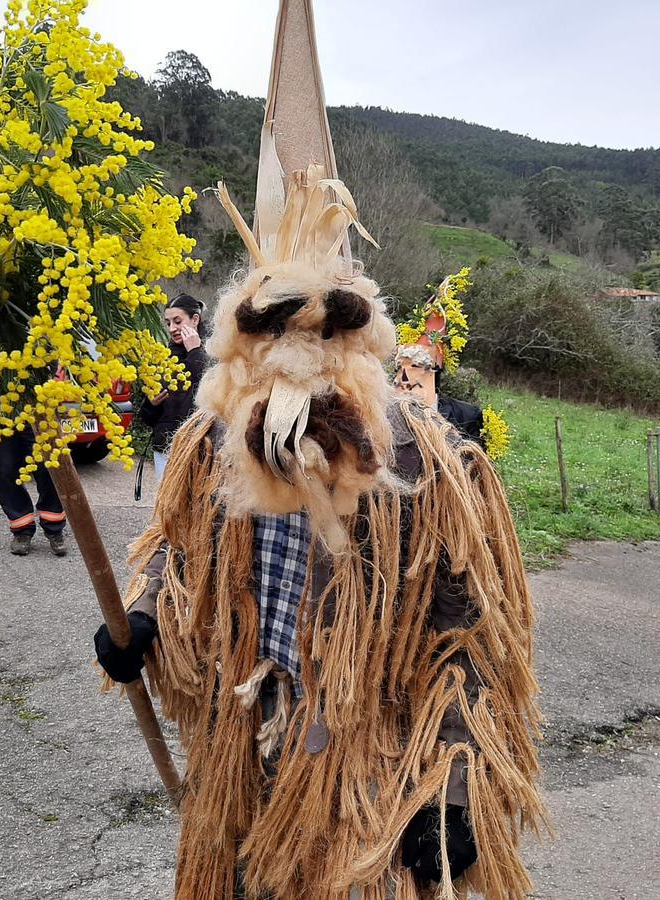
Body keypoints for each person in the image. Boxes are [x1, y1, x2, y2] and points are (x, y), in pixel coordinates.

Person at [94, 168, 545, 899]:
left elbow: (467, 634)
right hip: (240, 740)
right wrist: (140, 617)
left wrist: (451, 790)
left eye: (322, 333)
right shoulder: (215, 441)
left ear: (357, 339)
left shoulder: (421, 461)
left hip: (362, 761)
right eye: (274, 331)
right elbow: (177, 549)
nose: (297, 355)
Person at [0, 394, 68, 557]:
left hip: (37, 406)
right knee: (4, 471)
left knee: (48, 469)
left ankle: (54, 529)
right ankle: (22, 529)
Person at [139, 293, 207, 478]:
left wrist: (195, 351)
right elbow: (148, 418)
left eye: (177, 321)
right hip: (165, 449)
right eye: (168, 323)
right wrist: (151, 404)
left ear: (195, 319)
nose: (172, 328)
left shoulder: (215, 351)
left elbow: (211, 389)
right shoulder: (164, 358)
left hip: (200, 450)